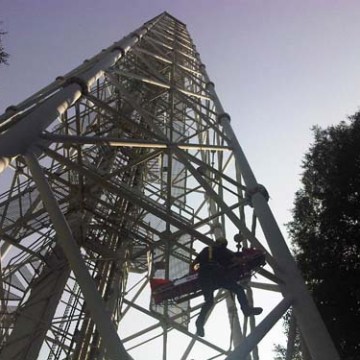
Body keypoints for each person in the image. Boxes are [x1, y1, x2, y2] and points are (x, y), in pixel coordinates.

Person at [193, 237, 263, 337]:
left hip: (204, 276)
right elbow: (235, 260)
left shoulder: (206, 250)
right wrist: (246, 259)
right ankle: (246, 310)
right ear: (223, 244)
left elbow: (194, 265)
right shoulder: (223, 251)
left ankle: (199, 323)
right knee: (238, 289)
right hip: (217, 275)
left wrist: (195, 272)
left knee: (209, 301)